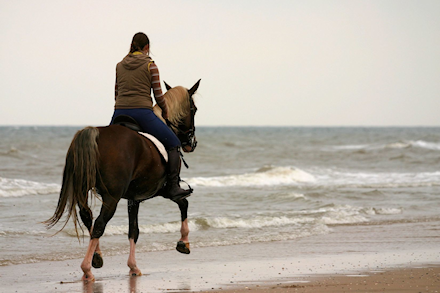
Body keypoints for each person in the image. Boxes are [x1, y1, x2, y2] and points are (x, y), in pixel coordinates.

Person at [110, 32, 192, 201]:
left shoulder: (119, 65)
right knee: (174, 144)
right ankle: (173, 186)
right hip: (142, 113)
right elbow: (158, 96)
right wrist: (165, 110)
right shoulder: (151, 66)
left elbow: (116, 93)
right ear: (147, 47)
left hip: (119, 112)